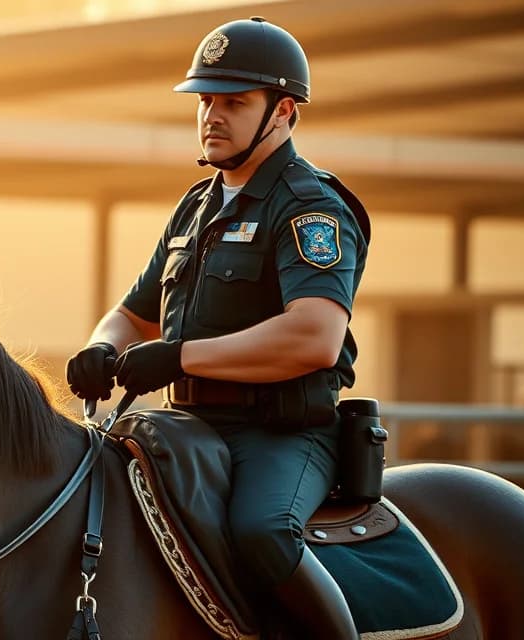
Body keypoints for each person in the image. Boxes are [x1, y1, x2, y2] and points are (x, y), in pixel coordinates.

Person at [66, 17, 370, 640]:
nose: (213, 116)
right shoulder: (195, 207)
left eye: (235, 102)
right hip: (190, 427)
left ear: (283, 111)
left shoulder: (311, 207)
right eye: (206, 100)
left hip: (282, 433)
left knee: (263, 532)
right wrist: (102, 346)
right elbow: (133, 313)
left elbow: (315, 336)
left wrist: (179, 357)